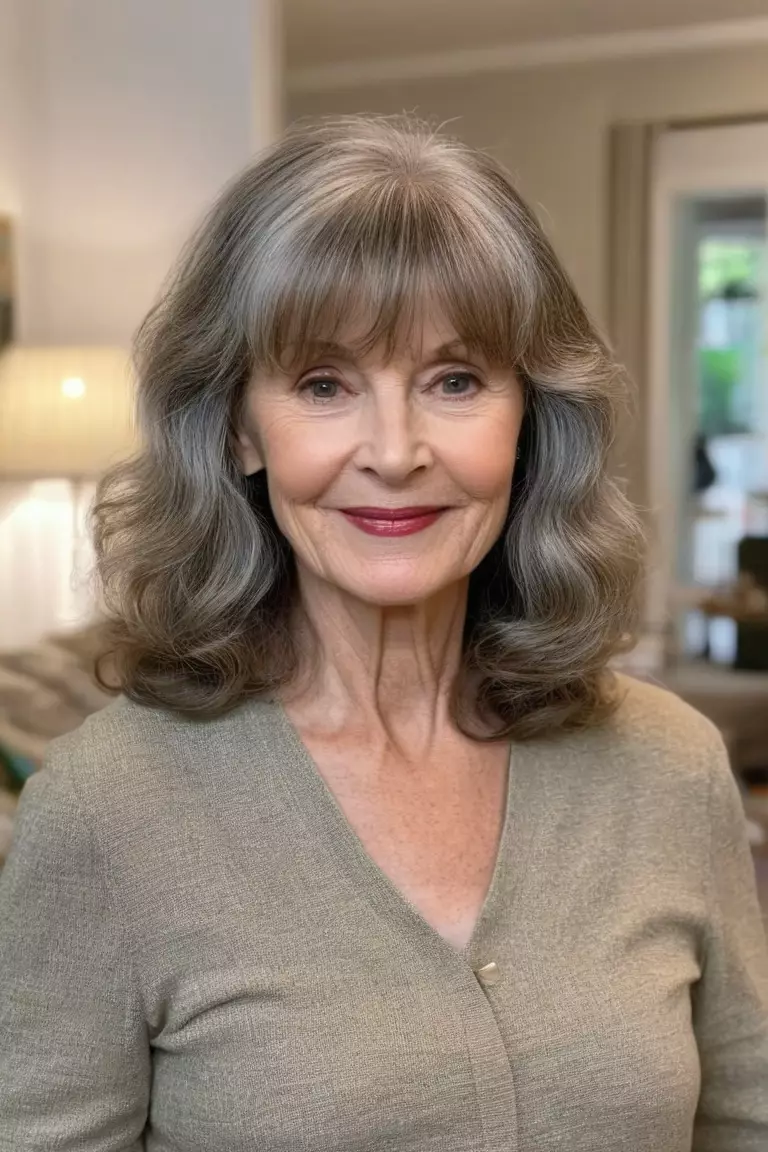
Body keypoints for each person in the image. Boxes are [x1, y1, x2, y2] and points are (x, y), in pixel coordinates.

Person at [0, 115, 766, 1152]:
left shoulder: (671, 768)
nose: (395, 452)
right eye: (324, 384)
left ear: (529, 416)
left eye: (455, 380)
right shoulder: (106, 810)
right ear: (237, 425)